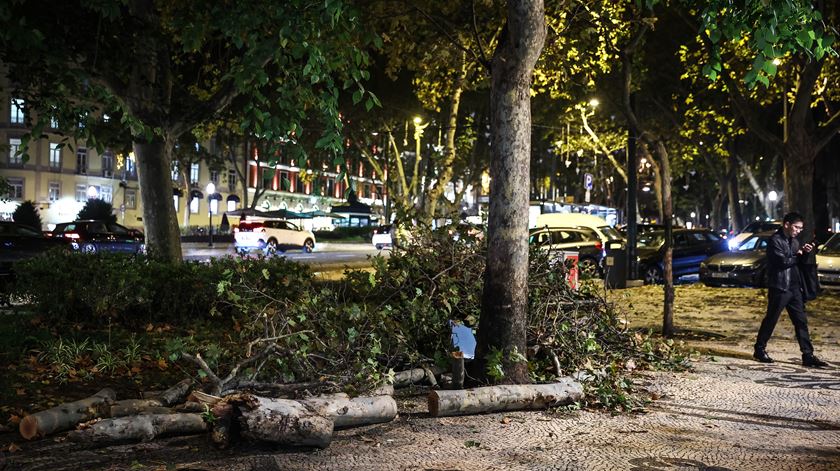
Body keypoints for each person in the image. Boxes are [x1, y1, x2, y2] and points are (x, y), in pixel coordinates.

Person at [753, 212, 828, 367]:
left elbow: (797, 262)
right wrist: (798, 255)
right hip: (780, 287)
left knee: (801, 321)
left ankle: (807, 354)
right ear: (786, 224)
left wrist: (805, 253)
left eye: (800, 228)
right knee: (771, 319)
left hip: (795, 288)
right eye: (796, 227)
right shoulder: (775, 240)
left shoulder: (794, 241)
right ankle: (759, 349)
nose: (798, 230)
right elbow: (781, 262)